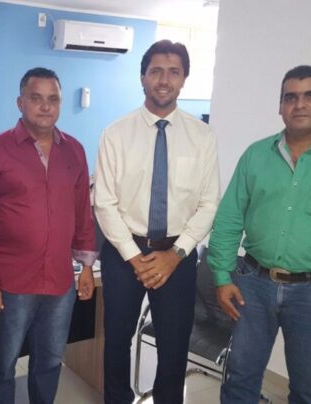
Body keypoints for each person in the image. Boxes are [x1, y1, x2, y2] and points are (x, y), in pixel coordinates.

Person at [94, 40, 221, 404]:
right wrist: (136, 258)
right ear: (143, 78)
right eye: (156, 71)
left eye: (173, 72)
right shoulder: (116, 133)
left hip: (177, 256)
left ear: (184, 79)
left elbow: (209, 203)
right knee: (116, 340)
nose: (164, 80)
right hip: (124, 253)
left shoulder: (202, 136)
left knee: (174, 344)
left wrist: (175, 255)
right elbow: (104, 203)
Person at [0, 67, 97, 404]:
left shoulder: (75, 151)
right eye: (36, 98)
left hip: (59, 280)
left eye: (53, 99)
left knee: (51, 361)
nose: (45, 106)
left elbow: (82, 211)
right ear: (20, 103)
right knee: (3, 364)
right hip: (10, 281)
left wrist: (86, 266)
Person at [208, 65, 311, 404]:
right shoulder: (256, 155)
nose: (300, 104)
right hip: (253, 284)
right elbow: (229, 219)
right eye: (291, 97)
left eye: (310, 96)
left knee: (308, 387)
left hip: (310, 292)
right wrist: (222, 277)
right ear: (280, 106)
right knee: (240, 379)